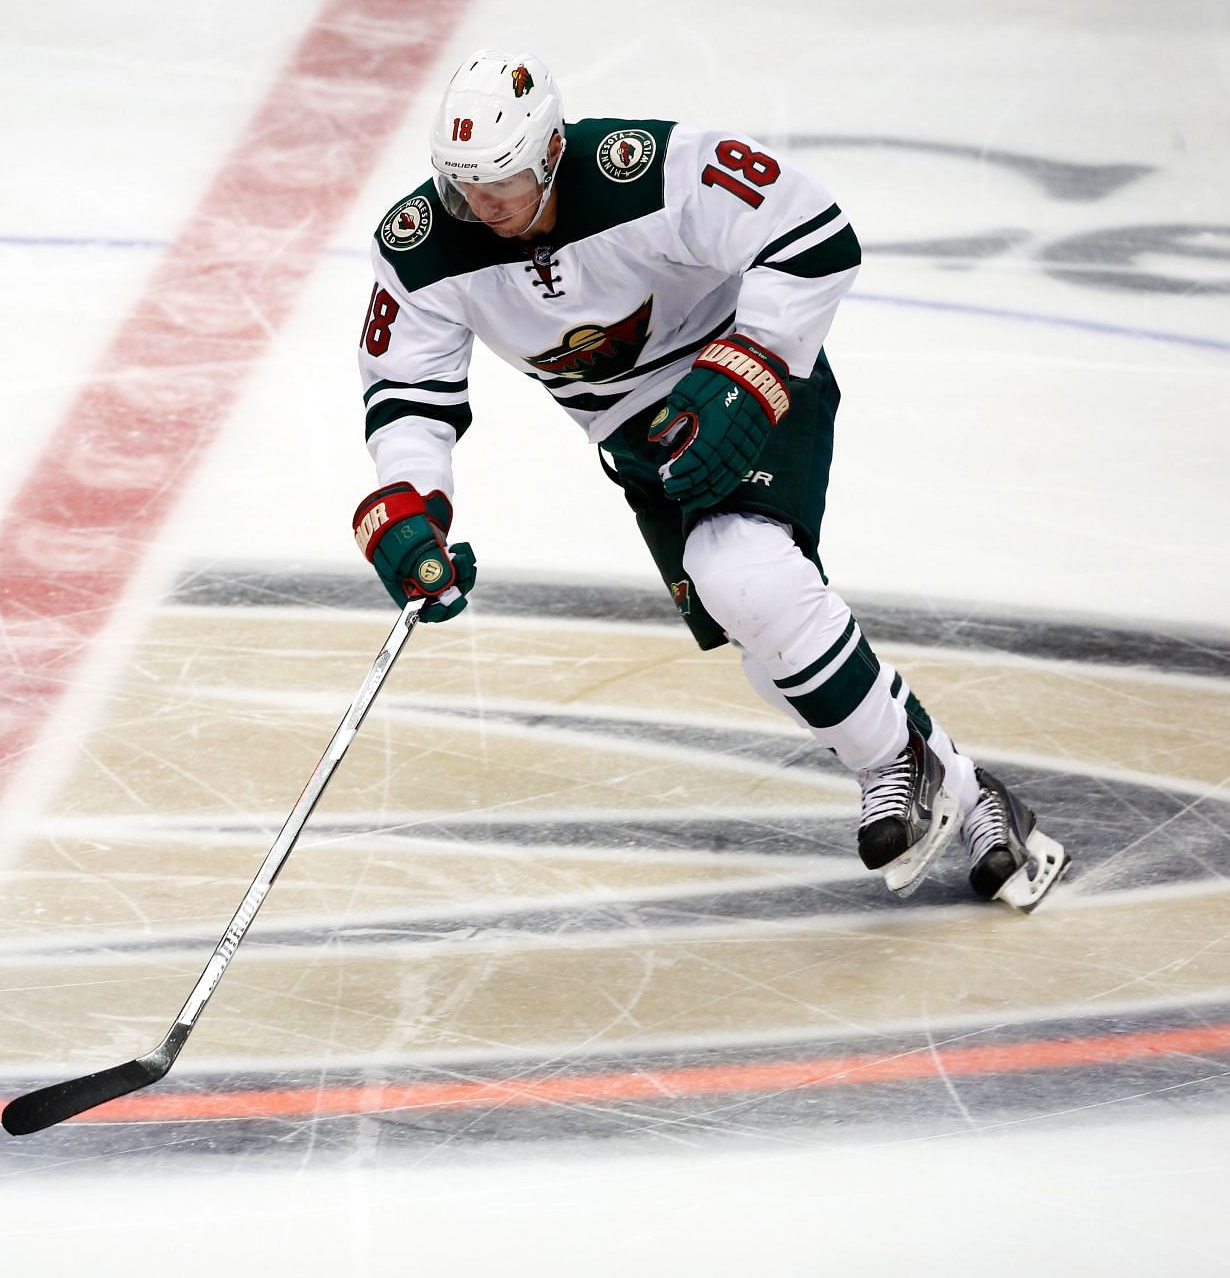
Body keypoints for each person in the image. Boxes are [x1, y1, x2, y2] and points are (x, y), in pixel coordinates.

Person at [349, 50, 1070, 911]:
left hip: (750, 380)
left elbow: (814, 233)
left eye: (500, 183)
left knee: (745, 572)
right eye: (461, 185)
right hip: (639, 440)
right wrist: (407, 506)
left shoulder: (644, 171)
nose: (480, 206)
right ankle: (975, 792)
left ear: (550, 153)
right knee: (766, 635)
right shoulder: (424, 244)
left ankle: (895, 768)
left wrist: (750, 365)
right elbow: (408, 393)